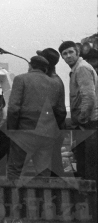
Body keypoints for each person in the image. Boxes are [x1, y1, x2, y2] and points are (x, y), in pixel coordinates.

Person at [6, 56, 66, 180]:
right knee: (44, 173)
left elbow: (13, 109)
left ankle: (12, 193)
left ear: (30, 66)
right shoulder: (56, 84)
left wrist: (12, 130)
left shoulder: (20, 79)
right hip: (47, 136)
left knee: (15, 172)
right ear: (45, 69)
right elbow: (61, 112)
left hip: (24, 133)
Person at [58, 40, 97, 182]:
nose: (68, 56)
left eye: (71, 52)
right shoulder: (78, 69)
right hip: (88, 122)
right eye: (65, 54)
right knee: (84, 163)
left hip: (89, 123)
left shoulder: (81, 69)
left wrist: (82, 119)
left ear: (77, 52)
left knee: (88, 165)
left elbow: (89, 97)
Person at [37, 48, 67, 177]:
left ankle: (58, 188)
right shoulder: (52, 79)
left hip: (53, 130)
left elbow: (57, 111)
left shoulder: (53, 82)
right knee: (53, 164)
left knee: (54, 165)